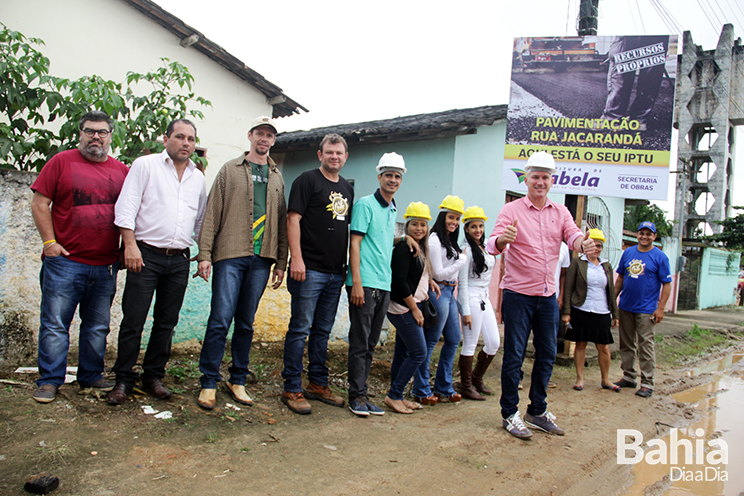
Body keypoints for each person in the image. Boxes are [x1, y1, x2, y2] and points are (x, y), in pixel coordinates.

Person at [486, 151, 596, 439]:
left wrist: (584, 243)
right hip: (518, 295)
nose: (540, 182)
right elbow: (491, 244)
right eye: (535, 176)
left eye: (545, 177)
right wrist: (501, 240)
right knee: (514, 356)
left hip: (547, 297)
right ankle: (510, 414)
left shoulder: (560, 212)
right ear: (527, 178)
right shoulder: (512, 210)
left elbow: (573, 235)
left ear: (551, 180)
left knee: (547, 354)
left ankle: (536, 410)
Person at [30, 110, 129, 403]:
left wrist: (126, 249)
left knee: (97, 326)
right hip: (65, 263)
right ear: (80, 134)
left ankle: (90, 376)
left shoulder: (122, 170)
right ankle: (49, 381)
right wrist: (50, 243)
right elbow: (39, 203)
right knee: (55, 324)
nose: (95, 137)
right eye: (90, 131)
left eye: (102, 132)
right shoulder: (61, 162)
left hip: (105, 265)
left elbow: (131, 212)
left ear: (111, 136)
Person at [108, 119, 207, 405]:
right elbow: (126, 207)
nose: (185, 143)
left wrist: (204, 253)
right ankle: (123, 379)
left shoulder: (197, 177)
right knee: (134, 320)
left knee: (167, 322)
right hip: (145, 255)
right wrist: (130, 246)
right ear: (166, 139)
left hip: (178, 260)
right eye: (179, 137)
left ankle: (153, 376)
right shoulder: (145, 165)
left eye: (190, 138)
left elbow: (200, 220)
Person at [195, 116, 288, 410]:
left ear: (273, 141)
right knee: (220, 319)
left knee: (245, 323)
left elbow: (282, 222)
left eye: (269, 135)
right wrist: (204, 255)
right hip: (230, 256)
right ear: (250, 136)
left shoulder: (277, 177)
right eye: (259, 133)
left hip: (262, 259)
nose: (264, 139)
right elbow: (212, 214)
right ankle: (209, 381)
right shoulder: (229, 171)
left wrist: (281, 262)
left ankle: (238, 380)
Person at [280, 134, 354, 415]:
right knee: (300, 329)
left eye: (339, 153)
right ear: (320, 155)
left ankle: (317, 384)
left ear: (346, 157)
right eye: (329, 152)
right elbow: (293, 220)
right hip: (308, 269)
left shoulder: (347, 188)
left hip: (336, 273)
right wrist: (295, 259)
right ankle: (291, 387)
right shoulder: (306, 180)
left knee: (322, 331)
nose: (334, 157)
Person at [346, 152, 409, 417]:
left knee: (371, 343)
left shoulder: (392, 208)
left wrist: (406, 240)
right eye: (388, 175)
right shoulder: (365, 204)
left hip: (384, 284)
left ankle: (362, 391)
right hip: (365, 283)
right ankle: (355, 397)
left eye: (397, 176)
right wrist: (357, 283)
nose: (393, 180)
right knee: (360, 341)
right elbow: (356, 243)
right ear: (379, 176)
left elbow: (381, 240)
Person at [414, 195, 467, 404]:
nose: (454, 222)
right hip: (439, 292)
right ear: (443, 216)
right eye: (451, 217)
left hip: (450, 293)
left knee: (454, 339)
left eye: (457, 219)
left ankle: (443, 386)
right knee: (430, 341)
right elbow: (438, 273)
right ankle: (421, 389)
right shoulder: (435, 239)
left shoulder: (449, 240)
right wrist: (461, 261)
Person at [385, 202, 438, 414]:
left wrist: (429, 281)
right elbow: (399, 281)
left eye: (423, 225)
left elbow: (416, 274)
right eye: (415, 224)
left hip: (410, 304)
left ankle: (396, 395)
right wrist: (414, 309)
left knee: (402, 354)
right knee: (418, 353)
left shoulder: (419, 247)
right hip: (403, 307)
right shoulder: (404, 248)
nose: (419, 228)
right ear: (407, 226)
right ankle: (394, 395)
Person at [613, 221, 672, 398]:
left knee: (645, 345)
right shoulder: (628, 253)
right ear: (637, 235)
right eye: (642, 233)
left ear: (654, 237)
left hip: (646, 309)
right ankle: (629, 377)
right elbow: (620, 279)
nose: (644, 237)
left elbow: (667, 284)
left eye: (648, 234)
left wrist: (660, 309)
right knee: (626, 344)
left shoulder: (660, 257)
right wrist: (612, 301)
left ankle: (647, 383)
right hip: (625, 307)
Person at [561, 229, 620, 392]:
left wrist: (615, 314)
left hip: (602, 311)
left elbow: (611, 290)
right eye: (593, 245)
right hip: (581, 309)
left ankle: (605, 379)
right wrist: (567, 312)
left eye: (600, 246)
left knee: (604, 347)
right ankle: (580, 378)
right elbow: (568, 288)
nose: (596, 249)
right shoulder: (578, 263)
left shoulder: (606, 266)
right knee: (580, 344)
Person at [457, 206, 500, 401]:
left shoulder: (486, 248)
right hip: (472, 298)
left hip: (484, 298)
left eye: (480, 226)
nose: (478, 230)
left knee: (493, 343)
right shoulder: (466, 250)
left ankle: (476, 378)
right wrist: (465, 310)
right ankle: (465, 386)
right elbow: (463, 284)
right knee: (470, 343)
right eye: (473, 226)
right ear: (466, 229)